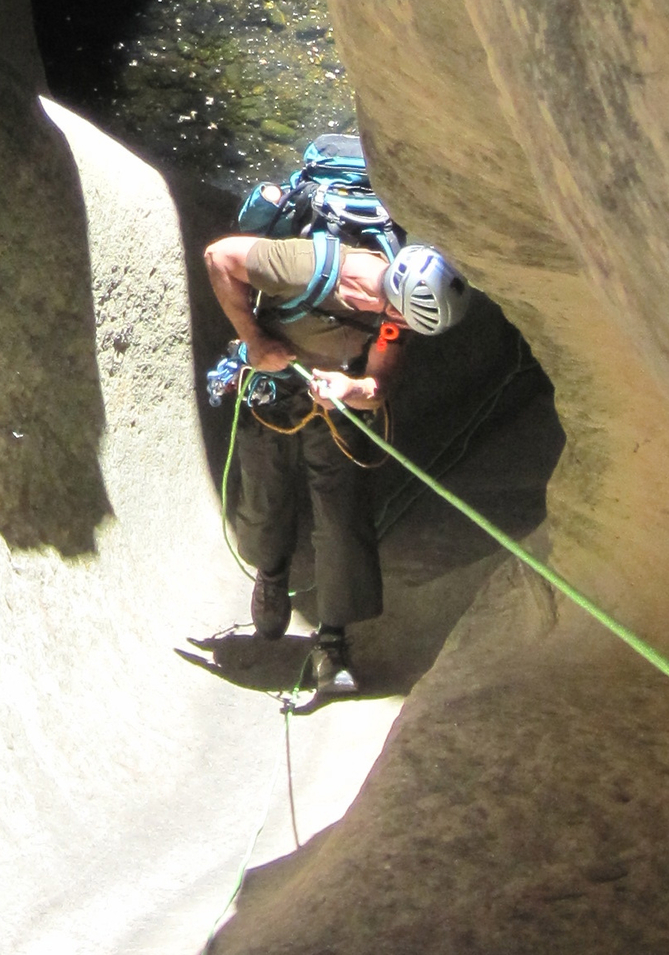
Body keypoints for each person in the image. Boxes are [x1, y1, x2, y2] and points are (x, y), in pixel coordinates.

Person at [203, 224, 473, 700]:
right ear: (392, 300)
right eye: (405, 322)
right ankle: (271, 573)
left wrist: (351, 391)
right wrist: (254, 341)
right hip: (270, 393)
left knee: (343, 517)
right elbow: (220, 257)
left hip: (334, 411)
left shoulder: (396, 318)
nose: (403, 332)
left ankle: (333, 642)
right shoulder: (307, 266)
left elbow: (378, 384)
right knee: (263, 501)